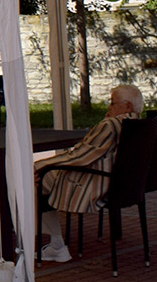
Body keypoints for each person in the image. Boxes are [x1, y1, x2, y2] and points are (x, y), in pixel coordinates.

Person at [35, 84, 144, 262]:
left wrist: (38, 165)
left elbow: (80, 156)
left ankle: (54, 244)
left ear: (127, 106)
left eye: (112, 103)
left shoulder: (111, 125)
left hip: (90, 184)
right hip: (120, 184)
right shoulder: (139, 125)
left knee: (32, 179)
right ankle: (49, 240)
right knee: (39, 177)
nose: (109, 107)